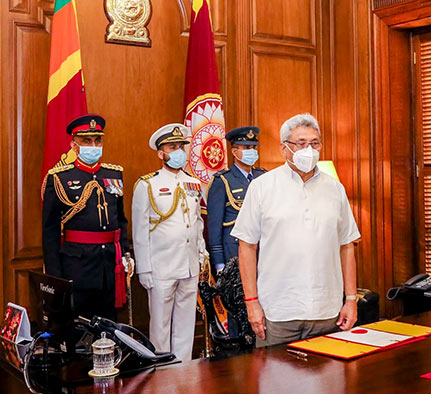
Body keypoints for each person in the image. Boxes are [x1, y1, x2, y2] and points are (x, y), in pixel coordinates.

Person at [231, 113, 361, 347]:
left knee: (329, 382)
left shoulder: (335, 189)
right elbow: (247, 247)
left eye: (314, 143)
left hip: (326, 311)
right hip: (278, 312)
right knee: (276, 381)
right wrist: (251, 303)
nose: (308, 150)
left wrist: (351, 299)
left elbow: (347, 245)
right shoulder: (262, 188)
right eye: (300, 144)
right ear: (284, 148)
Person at [42, 114, 128, 322]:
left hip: (109, 264)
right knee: (79, 326)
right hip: (77, 265)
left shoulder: (114, 175)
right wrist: (55, 276)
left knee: (108, 325)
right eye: (86, 141)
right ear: (74, 145)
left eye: (97, 140)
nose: (93, 145)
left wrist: (125, 254)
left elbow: (121, 221)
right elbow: (50, 231)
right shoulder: (60, 178)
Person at [132, 123, 207, 361]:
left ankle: (183, 368)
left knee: (186, 323)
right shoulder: (147, 184)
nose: (178, 152)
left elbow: (197, 222)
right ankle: (160, 370)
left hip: (188, 265)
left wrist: (201, 254)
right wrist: (144, 269)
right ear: (160, 153)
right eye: (172, 147)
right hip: (161, 267)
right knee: (160, 327)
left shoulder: (193, 183)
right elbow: (140, 231)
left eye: (181, 147)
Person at [207, 126, 266, 273]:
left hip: (263, 250)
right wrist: (219, 264)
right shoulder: (222, 180)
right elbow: (214, 227)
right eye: (246, 148)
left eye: (253, 147)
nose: (251, 151)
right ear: (234, 151)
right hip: (234, 251)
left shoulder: (263, 176)